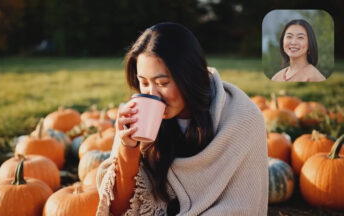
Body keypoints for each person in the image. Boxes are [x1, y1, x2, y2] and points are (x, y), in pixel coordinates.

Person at [96, 22, 268, 216]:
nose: (152, 94)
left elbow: (245, 206)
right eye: (143, 82)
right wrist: (128, 150)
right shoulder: (137, 116)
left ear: (189, 77)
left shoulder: (242, 118)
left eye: (162, 83)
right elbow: (120, 210)